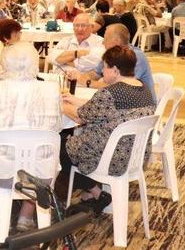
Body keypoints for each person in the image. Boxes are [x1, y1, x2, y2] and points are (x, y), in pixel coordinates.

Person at [0, 42, 62, 231]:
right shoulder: (52, 89)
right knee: (39, 162)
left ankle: (3, 209)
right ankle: (26, 216)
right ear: (35, 63)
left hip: (2, 172)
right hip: (42, 173)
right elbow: (57, 128)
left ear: (4, 64)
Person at [61, 45, 155, 214]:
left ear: (115, 70)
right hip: (134, 155)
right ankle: (98, 195)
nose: (102, 71)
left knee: (59, 148)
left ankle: (95, 192)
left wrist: (59, 105)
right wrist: (74, 100)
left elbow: (79, 117)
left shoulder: (110, 93)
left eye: (104, 67)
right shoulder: (143, 88)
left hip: (108, 157)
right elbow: (104, 111)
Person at [73, 23, 156, 102]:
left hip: (139, 106)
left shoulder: (134, 57)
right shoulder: (110, 54)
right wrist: (80, 77)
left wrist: (89, 83)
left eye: (105, 39)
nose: (103, 42)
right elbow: (96, 73)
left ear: (116, 41)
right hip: (119, 101)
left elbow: (121, 88)